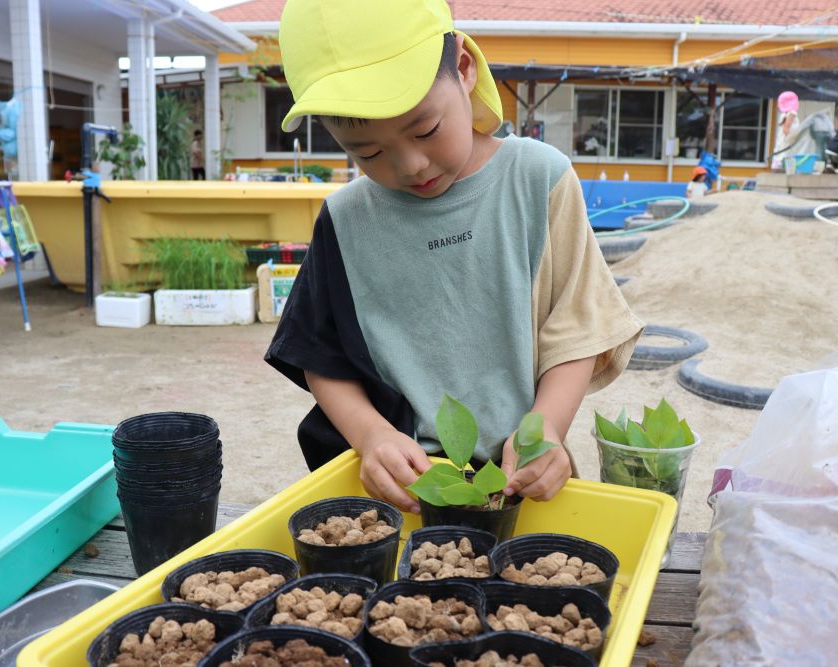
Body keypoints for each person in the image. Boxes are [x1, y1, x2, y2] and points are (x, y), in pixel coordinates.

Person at [264, 0, 643, 512]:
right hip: (401, 489)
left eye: (426, 130)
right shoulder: (346, 217)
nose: (410, 164)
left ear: (464, 68)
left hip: (517, 479)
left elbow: (578, 327)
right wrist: (372, 437)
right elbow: (319, 355)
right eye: (367, 152)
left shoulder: (538, 180)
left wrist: (547, 428)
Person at [771, 91, 800, 171]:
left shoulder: (783, 115)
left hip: (781, 141)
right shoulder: (792, 113)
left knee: (779, 154)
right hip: (788, 140)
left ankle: (778, 165)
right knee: (787, 155)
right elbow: (786, 128)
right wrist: (792, 139)